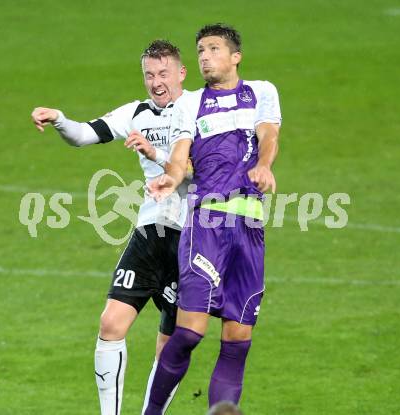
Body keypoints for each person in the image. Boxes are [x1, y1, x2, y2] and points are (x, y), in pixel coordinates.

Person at [31, 40, 188, 415]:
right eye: (149, 74)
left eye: (163, 73)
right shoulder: (136, 112)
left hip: (192, 235)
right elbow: (84, 134)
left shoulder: (197, 110)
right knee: (111, 323)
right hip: (151, 230)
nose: (156, 82)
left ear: (181, 73)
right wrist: (59, 119)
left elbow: (200, 169)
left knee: (172, 345)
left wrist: (155, 154)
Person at [144, 24, 281, 414]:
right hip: (206, 225)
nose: (204, 56)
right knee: (188, 332)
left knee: (238, 341)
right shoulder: (191, 103)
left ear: (235, 56)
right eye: (200, 50)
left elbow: (269, 135)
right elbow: (180, 153)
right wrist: (171, 175)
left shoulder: (261, 92)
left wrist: (265, 165)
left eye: (213, 48)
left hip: (249, 227)